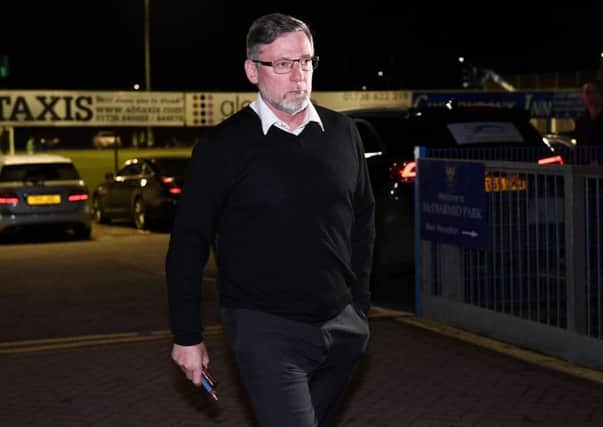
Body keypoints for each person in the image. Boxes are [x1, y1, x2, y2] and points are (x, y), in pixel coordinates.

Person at [166, 12, 375, 427]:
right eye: (281, 63)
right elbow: (188, 243)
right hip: (265, 328)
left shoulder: (343, 133)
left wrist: (359, 307)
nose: (297, 75)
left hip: (342, 327)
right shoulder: (222, 146)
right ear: (252, 70)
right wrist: (187, 335)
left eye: (305, 61)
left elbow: (364, 219)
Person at [574, 79, 603, 146]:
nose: (591, 96)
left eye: (595, 92)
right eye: (587, 92)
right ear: (583, 96)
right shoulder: (581, 120)